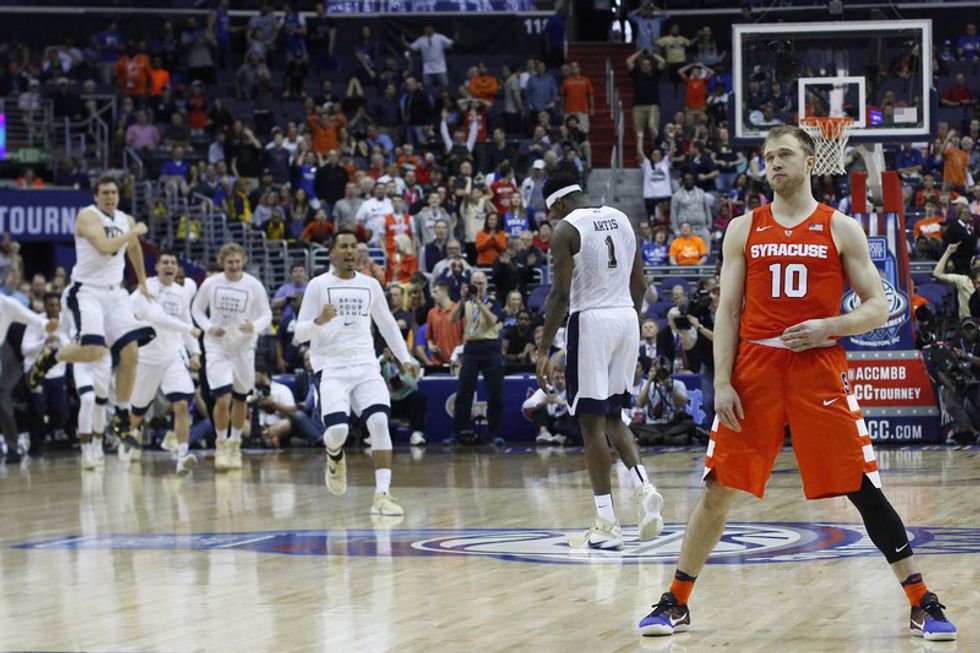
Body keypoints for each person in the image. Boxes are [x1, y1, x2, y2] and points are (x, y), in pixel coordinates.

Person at [638, 125, 957, 641]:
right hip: (755, 368)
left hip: (818, 369)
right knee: (718, 488)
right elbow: (728, 311)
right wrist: (723, 382)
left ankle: (923, 601)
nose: (774, 164)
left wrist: (830, 326)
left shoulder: (840, 227)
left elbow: (879, 307)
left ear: (811, 162)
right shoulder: (743, 228)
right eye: (768, 157)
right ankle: (675, 601)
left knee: (861, 485)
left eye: (784, 155)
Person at [536, 172, 664, 550]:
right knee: (614, 418)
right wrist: (630, 325)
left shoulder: (566, 229)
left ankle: (607, 523)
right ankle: (644, 487)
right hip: (626, 317)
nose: (553, 218)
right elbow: (639, 283)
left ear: (558, 203)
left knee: (590, 424)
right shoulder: (622, 218)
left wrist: (543, 349)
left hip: (590, 320)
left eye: (552, 211)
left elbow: (559, 295)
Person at [294, 230, 418, 516]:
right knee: (337, 431)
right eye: (344, 246)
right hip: (331, 368)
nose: (350, 251)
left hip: (366, 366)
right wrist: (318, 321)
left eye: (354, 246)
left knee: (379, 423)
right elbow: (300, 333)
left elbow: (387, 325)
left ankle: (382, 495)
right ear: (332, 254)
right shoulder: (318, 285)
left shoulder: (371, 285)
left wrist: (405, 359)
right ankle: (334, 455)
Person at [29, 177, 155, 458]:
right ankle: (51, 357)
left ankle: (122, 415)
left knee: (131, 351)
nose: (110, 197)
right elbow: (105, 247)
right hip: (87, 291)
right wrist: (133, 231)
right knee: (94, 350)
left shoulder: (124, 219)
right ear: (96, 196)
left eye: (114, 192)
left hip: (115, 293)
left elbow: (133, 247)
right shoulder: (87, 216)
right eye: (105, 193)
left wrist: (142, 280)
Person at [191, 243, 272, 471]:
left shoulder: (254, 285)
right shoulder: (211, 283)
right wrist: (209, 327)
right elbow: (196, 309)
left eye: (237, 262)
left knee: (240, 398)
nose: (234, 266)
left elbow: (266, 314)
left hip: (244, 347)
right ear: (222, 263)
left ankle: (235, 444)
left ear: (243, 261)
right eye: (230, 262)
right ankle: (221, 445)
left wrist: (254, 326)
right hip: (217, 347)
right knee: (222, 398)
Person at [129, 251, 201, 474]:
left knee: (182, 403)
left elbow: (186, 320)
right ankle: (131, 435)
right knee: (137, 412)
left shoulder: (181, 293)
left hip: (172, 355)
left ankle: (182, 456)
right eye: (165, 262)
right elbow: (156, 317)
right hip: (147, 357)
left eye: (173, 262)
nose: (170, 266)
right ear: (157, 267)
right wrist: (188, 329)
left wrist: (195, 352)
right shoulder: (146, 288)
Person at [451, 270, 504, 445]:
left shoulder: (494, 301)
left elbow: (493, 320)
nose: (478, 286)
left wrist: (479, 302)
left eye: (481, 283)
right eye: (475, 283)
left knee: (495, 392)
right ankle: (460, 433)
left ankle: (495, 433)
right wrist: (462, 299)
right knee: (463, 391)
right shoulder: (466, 303)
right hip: (471, 347)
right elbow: (452, 319)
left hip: (490, 347)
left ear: (486, 285)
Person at [523, 353, 578, 445]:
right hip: (550, 423)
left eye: (562, 378)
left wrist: (561, 402)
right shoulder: (548, 388)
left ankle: (563, 436)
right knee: (538, 407)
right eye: (557, 378)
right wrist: (544, 402)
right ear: (552, 377)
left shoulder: (572, 389)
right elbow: (526, 405)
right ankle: (544, 433)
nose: (560, 381)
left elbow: (578, 406)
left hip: (564, 424)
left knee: (570, 413)